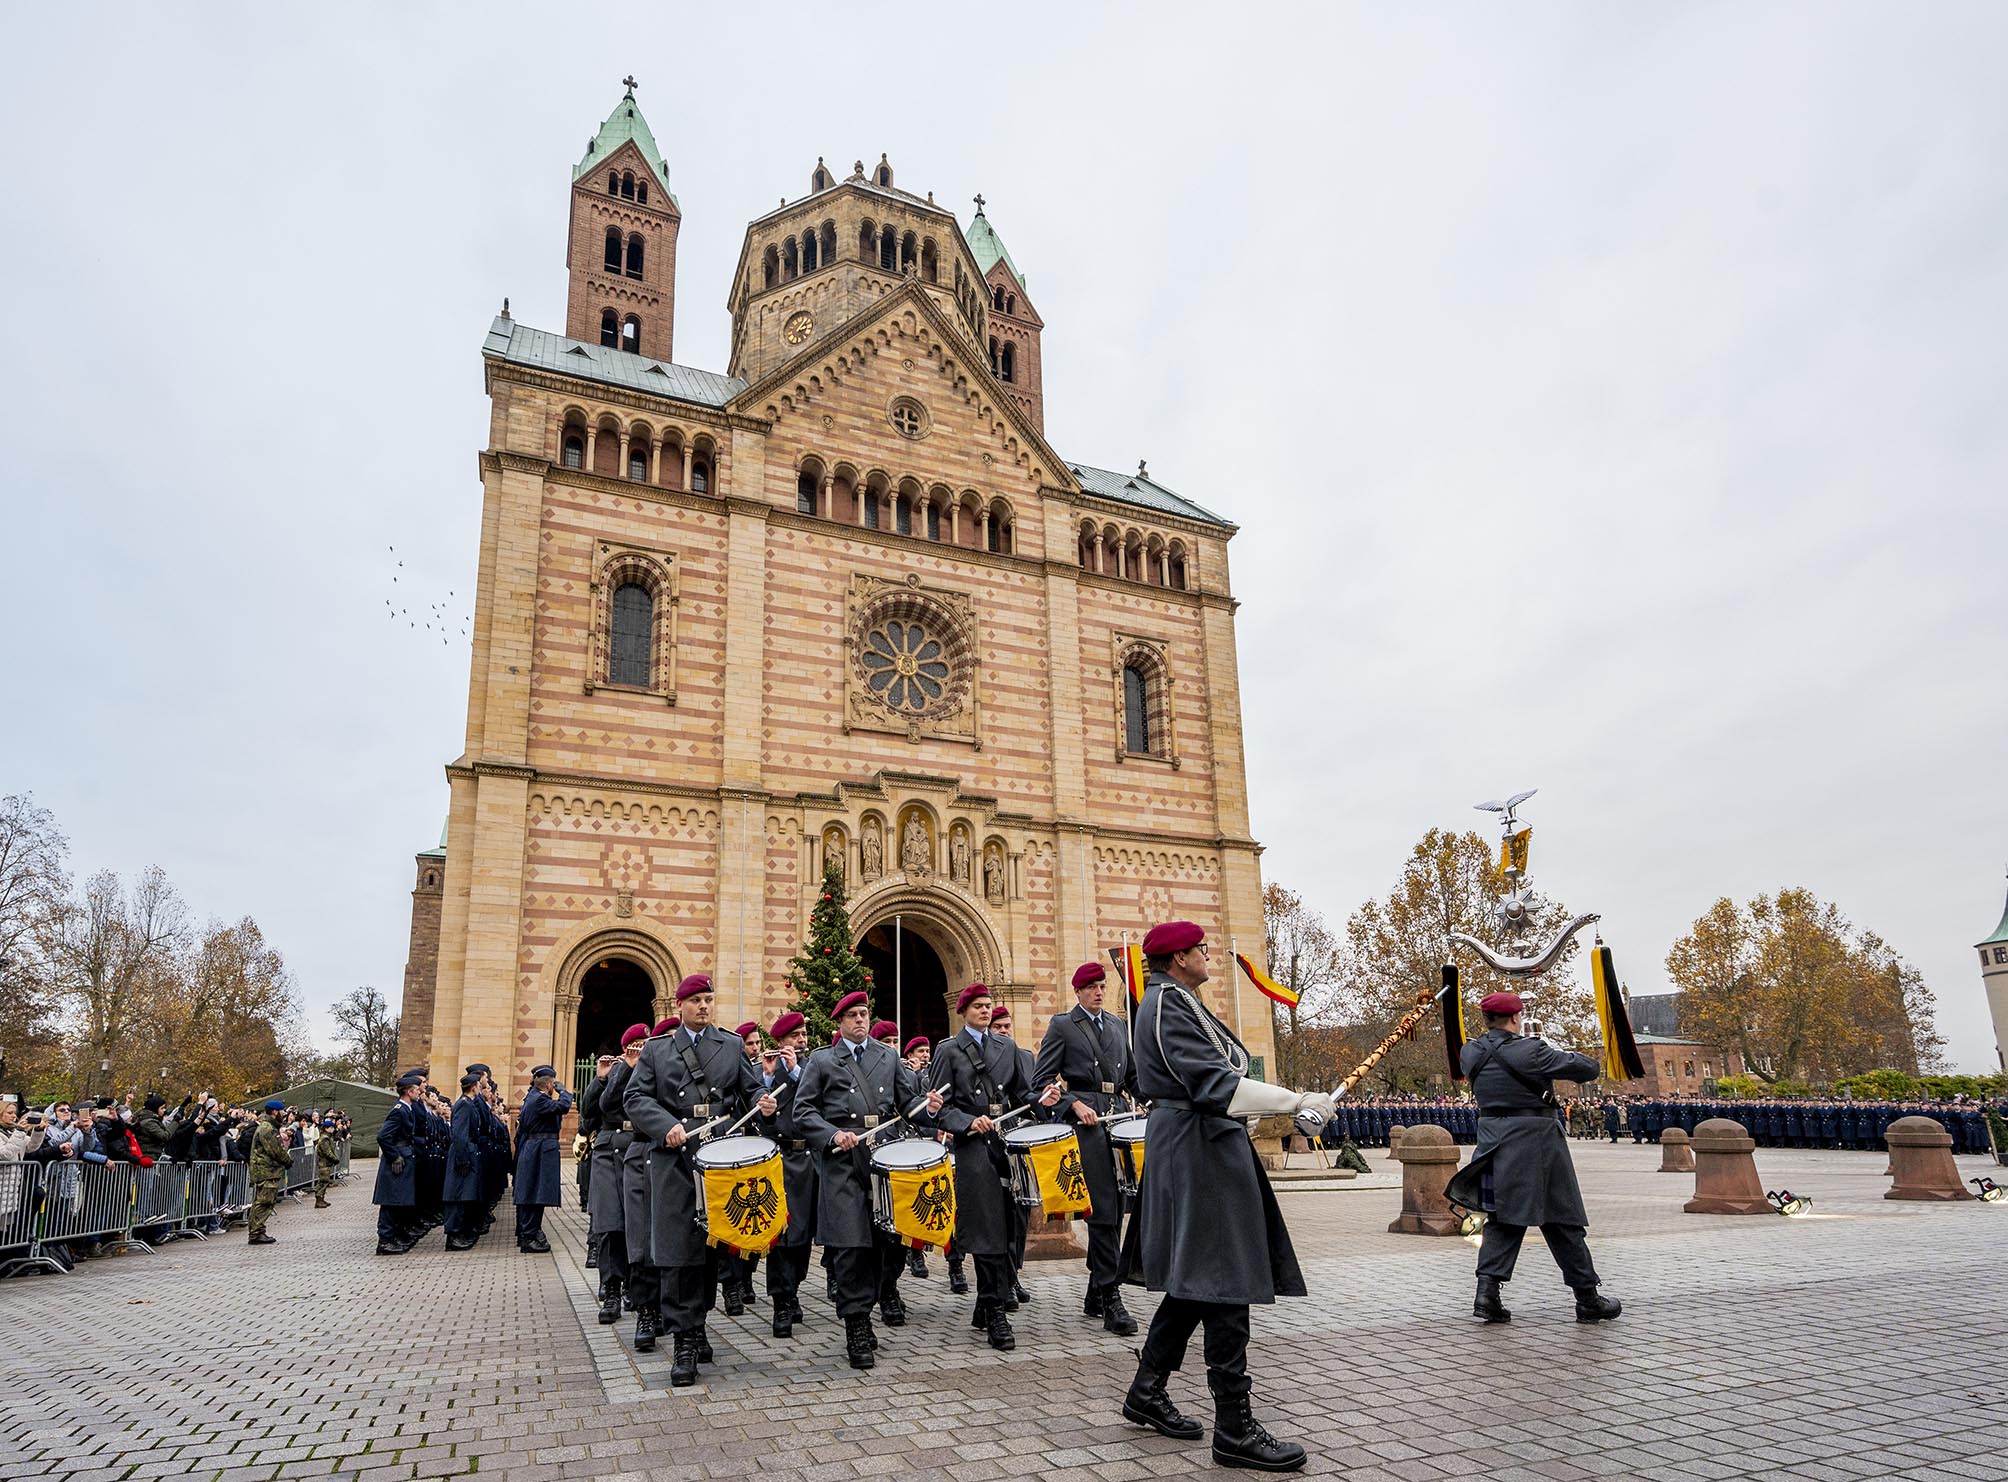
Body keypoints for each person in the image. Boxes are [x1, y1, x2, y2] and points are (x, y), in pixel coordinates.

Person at [1125, 919, 1327, 1473]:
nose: (1207, 954)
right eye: (1200, 949)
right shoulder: (1167, 1004)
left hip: (1203, 1143)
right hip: (1199, 1147)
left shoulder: (1175, 1000)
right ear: (1178, 958)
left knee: (1197, 1283)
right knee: (1226, 1277)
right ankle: (1234, 1429)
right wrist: (1293, 1101)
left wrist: (1287, 1105)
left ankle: (1147, 1389)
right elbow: (1216, 1084)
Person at [624, 976, 777, 1386]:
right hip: (675, 1163)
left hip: (718, 1164)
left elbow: (750, 1093)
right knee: (677, 1254)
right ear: (680, 1006)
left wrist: (765, 1105)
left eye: (709, 999)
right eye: (696, 1001)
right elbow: (636, 1098)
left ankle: (698, 1324)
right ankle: (684, 1342)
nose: (704, 1007)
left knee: (709, 1253)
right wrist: (665, 1125)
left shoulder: (729, 1045)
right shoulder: (658, 1049)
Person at [1445, 990, 1622, 1327]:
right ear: (1516, 1017)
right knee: (1562, 1219)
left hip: (1493, 1141)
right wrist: (1548, 1044)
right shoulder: (1533, 1050)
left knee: (1500, 1219)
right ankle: (1587, 1298)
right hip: (1537, 1143)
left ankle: (1487, 1295)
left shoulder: (1471, 1052)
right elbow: (1587, 1069)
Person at [794, 992, 945, 1367]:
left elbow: (906, 1105)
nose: (861, 1020)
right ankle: (856, 1323)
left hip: (882, 1158)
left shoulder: (887, 1055)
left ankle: (875, 1300)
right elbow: (803, 1110)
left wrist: (929, 1109)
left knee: (884, 1246)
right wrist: (831, 1134)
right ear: (840, 1022)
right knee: (850, 1247)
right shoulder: (822, 1060)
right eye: (853, 1015)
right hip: (844, 1160)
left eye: (864, 1014)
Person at [929, 984, 1062, 1352]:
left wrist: (1043, 1099)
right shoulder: (948, 1050)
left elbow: (1023, 1093)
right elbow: (941, 1105)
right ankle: (994, 1309)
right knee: (987, 1228)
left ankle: (985, 1302)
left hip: (1005, 1143)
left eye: (988, 1006)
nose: (986, 1011)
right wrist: (967, 1123)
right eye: (978, 1006)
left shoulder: (1007, 1048)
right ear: (964, 1010)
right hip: (973, 1146)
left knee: (1007, 1225)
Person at [1033, 961, 1139, 1336]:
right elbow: (1041, 1082)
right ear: (1077, 991)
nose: (1098, 991)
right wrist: (1072, 1103)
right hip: (1087, 1128)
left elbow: (1131, 1077)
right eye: (1091, 986)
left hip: (1119, 1122)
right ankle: (1111, 1297)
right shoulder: (1064, 1025)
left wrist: (1153, 1100)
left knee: (1115, 1212)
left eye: (1102, 986)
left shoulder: (1116, 1025)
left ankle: (1096, 1289)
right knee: (1104, 1211)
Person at [620, 1018, 679, 1354]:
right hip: (645, 1152)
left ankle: (685, 1321)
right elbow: (613, 1104)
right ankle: (646, 1311)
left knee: (680, 1241)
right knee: (642, 1238)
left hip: (682, 1156)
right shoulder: (644, 1067)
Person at [758, 1010, 817, 1337]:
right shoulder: (764, 1071)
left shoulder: (809, 1068)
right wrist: (768, 1079)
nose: (802, 1040)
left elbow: (817, 1098)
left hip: (806, 1159)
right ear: (780, 1041)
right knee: (780, 1234)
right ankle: (782, 1300)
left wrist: (794, 1070)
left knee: (803, 1234)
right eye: (795, 1036)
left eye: (803, 1034)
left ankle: (794, 1287)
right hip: (778, 1159)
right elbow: (755, 1115)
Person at [590, 1026, 647, 1320]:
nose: (640, 1051)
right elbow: (603, 1105)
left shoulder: (654, 1069)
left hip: (639, 1148)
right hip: (610, 1148)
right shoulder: (616, 1071)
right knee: (610, 1223)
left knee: (637, 1224)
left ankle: (634, 1288)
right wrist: (624, 1068)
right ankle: (611, 1289)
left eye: (644, 1045)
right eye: (634, 1046)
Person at [987, 1003, 1039, 1307]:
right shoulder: (984, 1054)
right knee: (999, 1214)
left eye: (1007, 1026)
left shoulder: (1024, 1056)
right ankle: (1002, 1280)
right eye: (998, 1027)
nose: (1005, 1031)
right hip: (990, 1140)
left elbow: (1027, 1095)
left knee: (1020, 1214)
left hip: (1017, 1141)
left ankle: (1014, 1273)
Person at [513, 1066, 574, 1253]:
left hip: (537, 1148)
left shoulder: (534, 1097)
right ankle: (529, 1236)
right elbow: (563, 1106)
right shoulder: (539, 1099)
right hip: (538, 1149)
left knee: (534, 1193)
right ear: (549, 1085)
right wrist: (563, 1091)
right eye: (553, 1084)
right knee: (534, 1194)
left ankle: (529, 1233)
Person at [373, 1072, 426, 1254]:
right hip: (396, 1163)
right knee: (391, 1202)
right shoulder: (399, 1111)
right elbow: (383, 1136)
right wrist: (394, 1156)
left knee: (399, 1201)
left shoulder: (407, 1109)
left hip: (404, 1159)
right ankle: (385, 1241)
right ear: (408, 1092)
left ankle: (393, 1236)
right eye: (417, 1090)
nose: (419, 1093)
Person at [441, 1074, 487, 1250]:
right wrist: (462, 1159)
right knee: (457, 1196)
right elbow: (459, 1134)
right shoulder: (463, 1105)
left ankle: (461, 1232)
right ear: (474, 1087)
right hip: (462, 1154)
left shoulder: (468, 1104)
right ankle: (453, 1236)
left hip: (468, 1152)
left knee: (465, 1195)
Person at [247, 1100, 291, 1245]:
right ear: (274, 1112)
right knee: (264, 1202)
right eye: (282, 1111)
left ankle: (258, 1231)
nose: (284, 1114)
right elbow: (275, 1150)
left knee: (263, 1202)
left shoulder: (269, 1127)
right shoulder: (267, 1129)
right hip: (266, 1171)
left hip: (267, 1170)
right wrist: (287, 1160)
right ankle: (256, 1233)